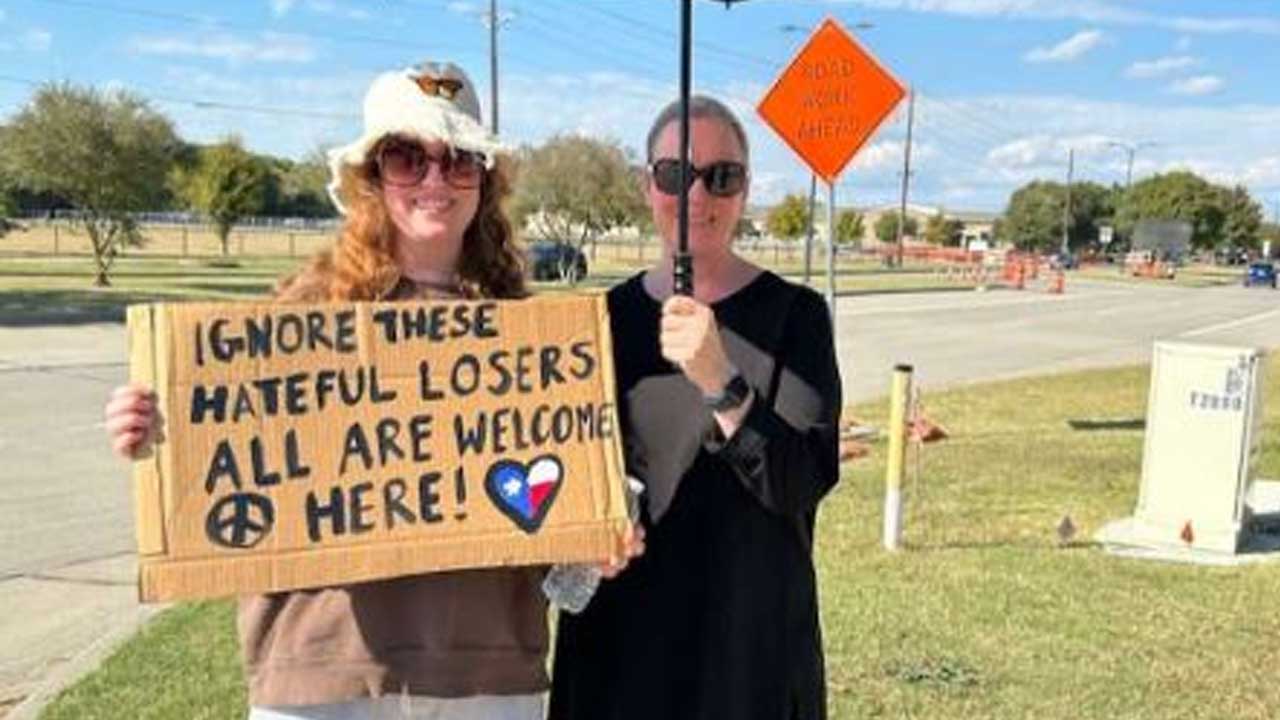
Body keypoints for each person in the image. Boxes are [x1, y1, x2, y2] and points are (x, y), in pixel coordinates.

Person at [104, 60, 638, 720]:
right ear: (370, 177)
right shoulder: (298, 315)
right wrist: (151, 427)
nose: (435, 180)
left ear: (484, 180)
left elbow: (563, 568)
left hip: (489, 679)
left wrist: (597, 538)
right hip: (322, 672)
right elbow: (218, 456)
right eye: (407, 157)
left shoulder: (534, 340)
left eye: (460, 159)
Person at [549, 95, 842, 720]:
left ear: (744, 190)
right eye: (674, 174)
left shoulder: (796, 318)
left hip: (745, 655)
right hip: (620, 651)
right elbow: (556, 493)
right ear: (646, 184)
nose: (698, 196)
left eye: (722, 176)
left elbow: (801, 482)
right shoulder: (597, 323)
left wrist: (722, 381)